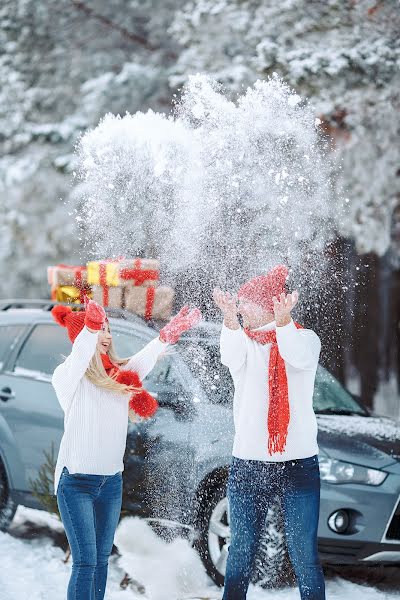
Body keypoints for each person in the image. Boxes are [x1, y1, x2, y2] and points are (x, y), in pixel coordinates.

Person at [51, 297, 201, 600]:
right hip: (76, 484)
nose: (106, 336)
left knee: (102, 561)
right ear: (83, 337)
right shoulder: (69, 378)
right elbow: (81, 356)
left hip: (110, 484)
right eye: (99, 331)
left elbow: (144, 359)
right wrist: (90, 327)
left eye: (107, 330)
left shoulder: (119, 378)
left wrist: (169, 333)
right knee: (85, 562)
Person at [213, 265, 325, 600]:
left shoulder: (305, 338)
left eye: (247, 303)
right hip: (248, 464)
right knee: (241, 551)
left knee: (303, 553)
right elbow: (228, 354)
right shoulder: (244, 345)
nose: (242, 308)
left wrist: (283, 322)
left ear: (267, 306)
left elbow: (296, 356)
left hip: (298, 465)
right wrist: (230, 321)